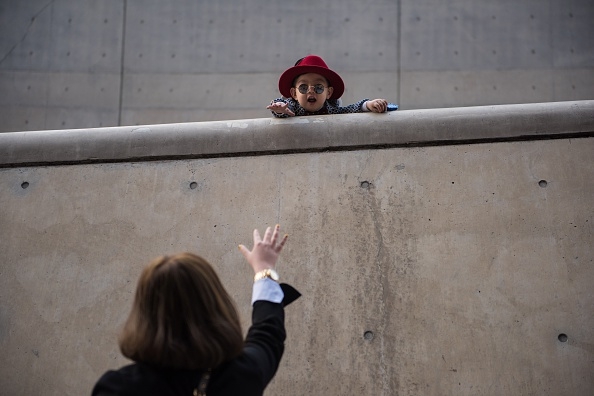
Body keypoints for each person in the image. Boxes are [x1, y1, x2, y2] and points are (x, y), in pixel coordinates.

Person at [92, 224, 300, 396]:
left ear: (144, 314)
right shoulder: (241, 377)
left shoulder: (117, 389)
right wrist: (264, 269)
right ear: (215, 307)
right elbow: (268, 333)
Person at [267, 54, 394, 117]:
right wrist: (279, 108)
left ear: (329, 93)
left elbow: (351, 109)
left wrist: (370, 105)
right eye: (303, 88)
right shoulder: (292, 107)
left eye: (318, 87)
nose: (311, 91)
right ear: (294, 93)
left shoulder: (331, 109)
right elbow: (283, 110)